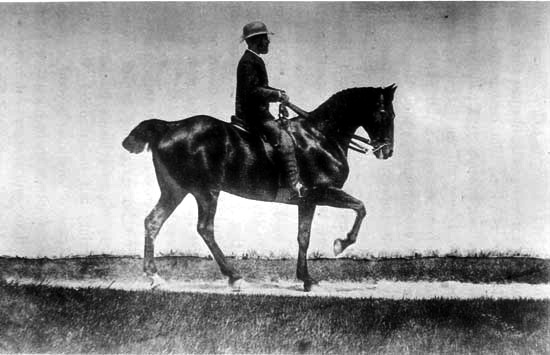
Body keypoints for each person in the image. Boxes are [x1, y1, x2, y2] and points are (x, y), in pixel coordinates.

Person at [235, 21, 303, 197]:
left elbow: (259, 87)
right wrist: (277, 96)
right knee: (286, 141)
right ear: (257, 40)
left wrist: (278, 93)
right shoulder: (249, 62)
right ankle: (293, 187)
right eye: (265, 38)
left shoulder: (252, 59)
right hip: (254, 114)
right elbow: (253, 91)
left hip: (257, 112)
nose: (268, 42)